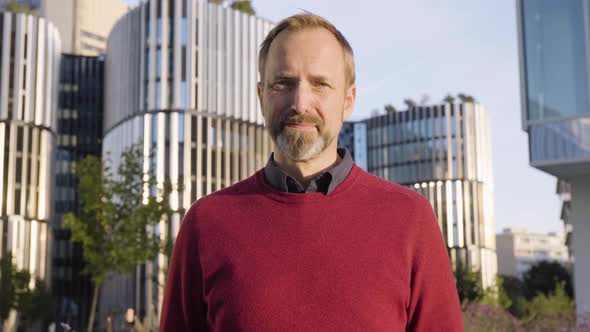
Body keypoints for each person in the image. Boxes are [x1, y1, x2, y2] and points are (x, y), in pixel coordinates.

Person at [160, 13, 463, 331]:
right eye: (283, 84)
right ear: (261, 96)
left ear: (348, 101)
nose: (300, 103)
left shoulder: (410, 218)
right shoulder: (207, 222)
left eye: (320, 84)